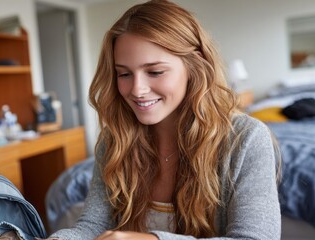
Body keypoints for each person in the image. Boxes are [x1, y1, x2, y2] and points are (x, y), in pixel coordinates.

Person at [47, 0, 281, 239]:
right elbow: (91, 227)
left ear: (195, 64)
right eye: (124, 74)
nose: (137, 89)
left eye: (155, 72)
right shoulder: (115, 140)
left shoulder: (247, 139)